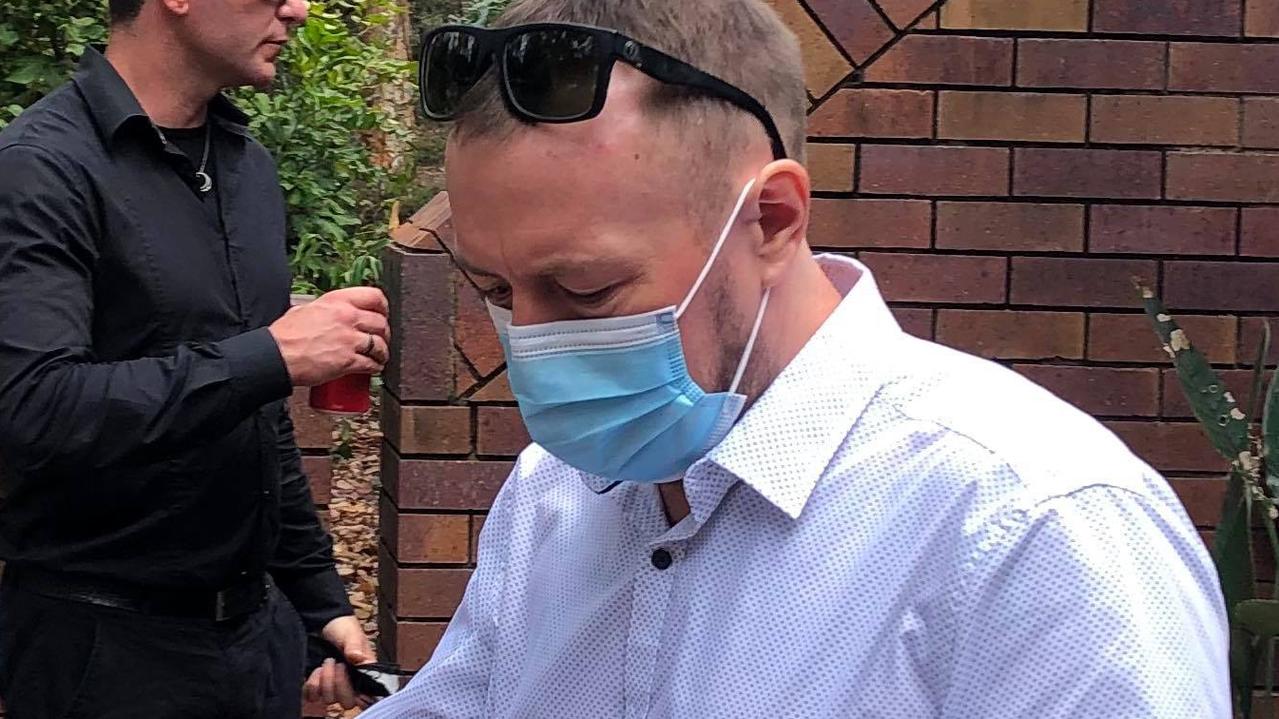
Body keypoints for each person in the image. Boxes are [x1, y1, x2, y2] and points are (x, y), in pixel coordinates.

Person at [366, 0, 1230, 717]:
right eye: (494, 289)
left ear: (772, 219)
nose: (535, 339)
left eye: (586, 290)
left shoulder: (1032, 526)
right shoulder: (552, 493)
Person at [0, 0, 386, 716]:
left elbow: (256, 416)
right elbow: (31, 408)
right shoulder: (40, 168)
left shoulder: (246, 168)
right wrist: (268, 355)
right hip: (99, 658)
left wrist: (316, 606)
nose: (298, 9)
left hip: (254, 642)